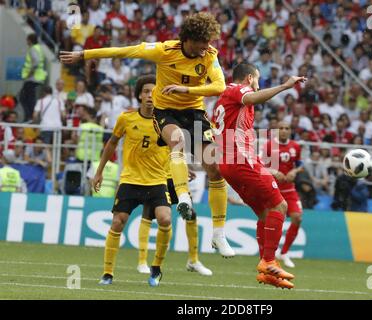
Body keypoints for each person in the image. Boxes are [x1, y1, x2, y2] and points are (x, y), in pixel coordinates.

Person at [60, 12, 234, 258]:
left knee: (214, 167)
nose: (207, 46)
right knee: (177, 140)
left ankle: (219, 234)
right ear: (189, 39)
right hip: (166, 111)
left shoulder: (210, 55)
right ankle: (183, 196)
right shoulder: (163, 50)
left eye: (209, 41)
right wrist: (84, 55)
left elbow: (219, 86)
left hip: (194, 111)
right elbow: (123, 51)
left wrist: (185, 89)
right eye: (203, 41)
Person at [212, 62, 307, 289]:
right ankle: (269, 261)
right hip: (240, 161)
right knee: (280, 206)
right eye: (257, 79)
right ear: (249, 78)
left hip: (231, 163)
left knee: (265, 213)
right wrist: (285, 86)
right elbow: (253, 98)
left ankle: (265, 270)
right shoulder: (237, 89)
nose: (257, 84)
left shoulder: (225, 98)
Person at [93, 75, 172, 287]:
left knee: (165, 219)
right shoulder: (126, 118)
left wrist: (184, 167)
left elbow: (176, 147)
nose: (150, 95)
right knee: (118, 222)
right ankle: (107, 273)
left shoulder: (166, 121)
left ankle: (156, 268)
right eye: (146, 91)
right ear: (139, 95)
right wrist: (99, 172)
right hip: (130, 180)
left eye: (154, 92)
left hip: (157, 180)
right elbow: (111, 144)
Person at [262, 121, 304, 269]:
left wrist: (295, 171)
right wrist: (274, 172)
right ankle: (266, 255)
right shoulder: (269, 146)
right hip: (273, 189)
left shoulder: (296, 146)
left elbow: (300, 164)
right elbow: (261, 166)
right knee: (266, 220)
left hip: (290, 189)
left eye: (287, 128)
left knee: (297, 218)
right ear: (276, 130)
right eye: (281, 128)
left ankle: (284, 253)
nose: (284, 131)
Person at [20, 33, 47, 121]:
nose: (26, 42)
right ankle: (30, 116)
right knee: (29, 97)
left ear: (30, 40)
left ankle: (29, 116)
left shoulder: (32, 49)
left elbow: (36, 62)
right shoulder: (39, 48)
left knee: (24, 97)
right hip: (38, 78)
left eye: (27, 40)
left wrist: (29, 74)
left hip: (33, 78)